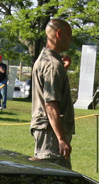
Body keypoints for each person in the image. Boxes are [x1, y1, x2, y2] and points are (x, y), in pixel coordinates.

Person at [29, 18, 73, 168]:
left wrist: (63, 69)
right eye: (69, 34)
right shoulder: (53, 65)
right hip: (51, 133)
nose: (71, 39)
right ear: (59, 34)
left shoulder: (45, 59)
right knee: (54, 179)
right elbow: (50, 104)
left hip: (46, 130)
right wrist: (61, 138)